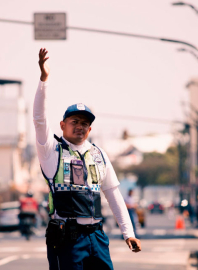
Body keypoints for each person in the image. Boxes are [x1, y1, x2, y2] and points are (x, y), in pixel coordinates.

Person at [34, 48, 141, 270]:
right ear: (62, 125)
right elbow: (39, 119)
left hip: (97, 237)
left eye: (84, 123)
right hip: (67, 239)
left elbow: (113, 195)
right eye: (74, 121)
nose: (80, 126)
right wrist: (44, 80)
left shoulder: (99, 154)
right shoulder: (51, 150)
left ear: (90, 128)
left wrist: (128, 233)